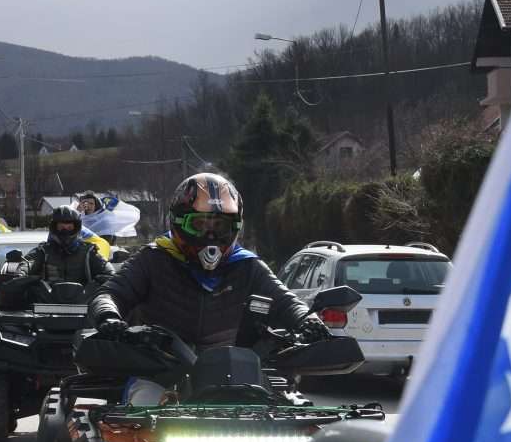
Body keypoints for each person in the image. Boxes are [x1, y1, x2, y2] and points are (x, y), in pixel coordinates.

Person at [88, 173, 330, 404]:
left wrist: (308, 320)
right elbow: (110, 293)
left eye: (221, 227)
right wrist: (109, 318)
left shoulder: (247, 265)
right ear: (179, 222)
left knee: (287, 418)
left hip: (236, 376)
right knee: (143, 407)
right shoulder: (153, 259)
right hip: (160, 371)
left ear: (235, 227)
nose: (210, 235)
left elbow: (286, 300)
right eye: (200, 224)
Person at [19, 205, 113, 283]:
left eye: (69, 227)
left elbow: (108, 271)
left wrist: (107, 277)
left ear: (76, 228)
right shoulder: (43, 251)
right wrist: (20, 273)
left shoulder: (89, 252)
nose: (65, 231)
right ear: (54, 228)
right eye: (61, 227)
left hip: (83, 302)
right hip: (46, 302)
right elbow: (28, 263)